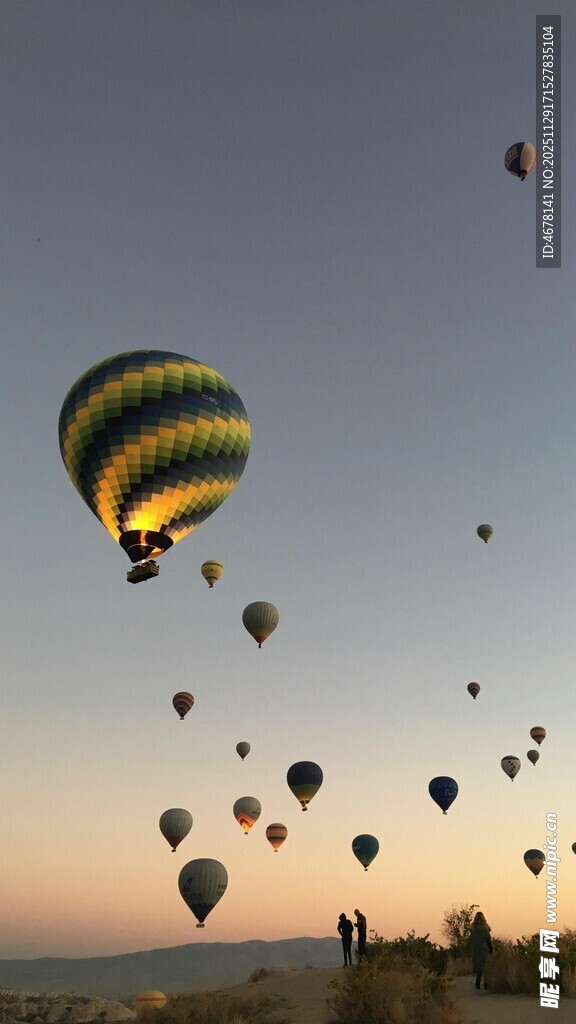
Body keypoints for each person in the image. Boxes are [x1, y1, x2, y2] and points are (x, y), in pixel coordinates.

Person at [470, 911, 493, 989]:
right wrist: (491, 949)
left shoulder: (473, 928)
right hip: (484, 949)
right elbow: (488, 939)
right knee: (486, 967)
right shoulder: (484, 927)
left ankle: (478, 983)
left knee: (479, 969)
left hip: (476, 950)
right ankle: (486, 984)